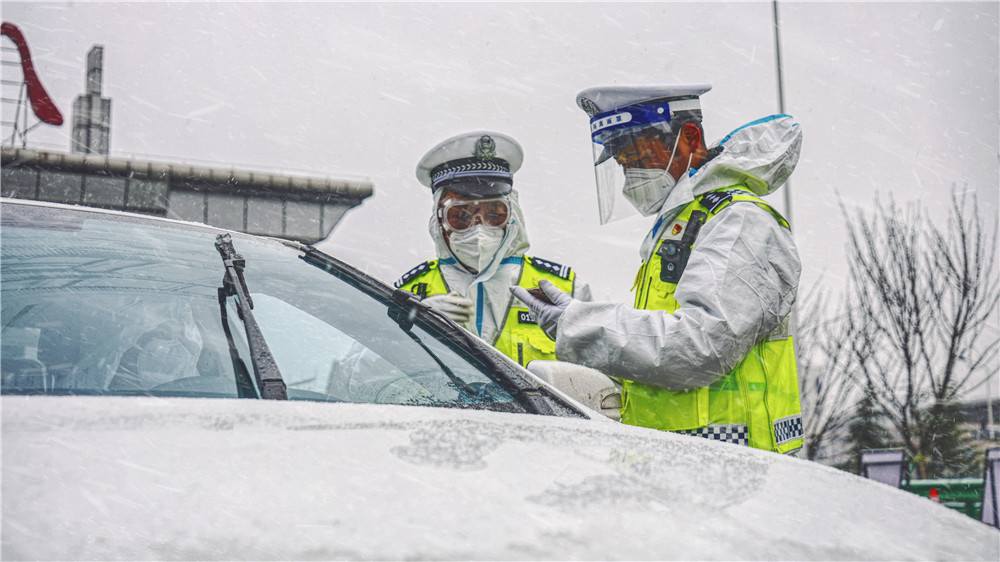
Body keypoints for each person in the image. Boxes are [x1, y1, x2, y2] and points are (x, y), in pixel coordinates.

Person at [512, 85, 804, 454]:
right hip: (678, 461)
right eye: (622, 164)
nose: (630, 174)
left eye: (636, 156)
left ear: (690, 138)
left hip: (733, 461)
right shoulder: (688, 222)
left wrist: (580, 324)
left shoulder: (739, 222)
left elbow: (699, 348)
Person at [396, 130, 591, 367]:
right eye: (461, 216)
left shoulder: (564, 289)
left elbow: (606, 382)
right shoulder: (407, 293)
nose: (479, 229)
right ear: (439, 220)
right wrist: (404, 323)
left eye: (494, 214)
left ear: (512, 216)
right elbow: (364, 372)